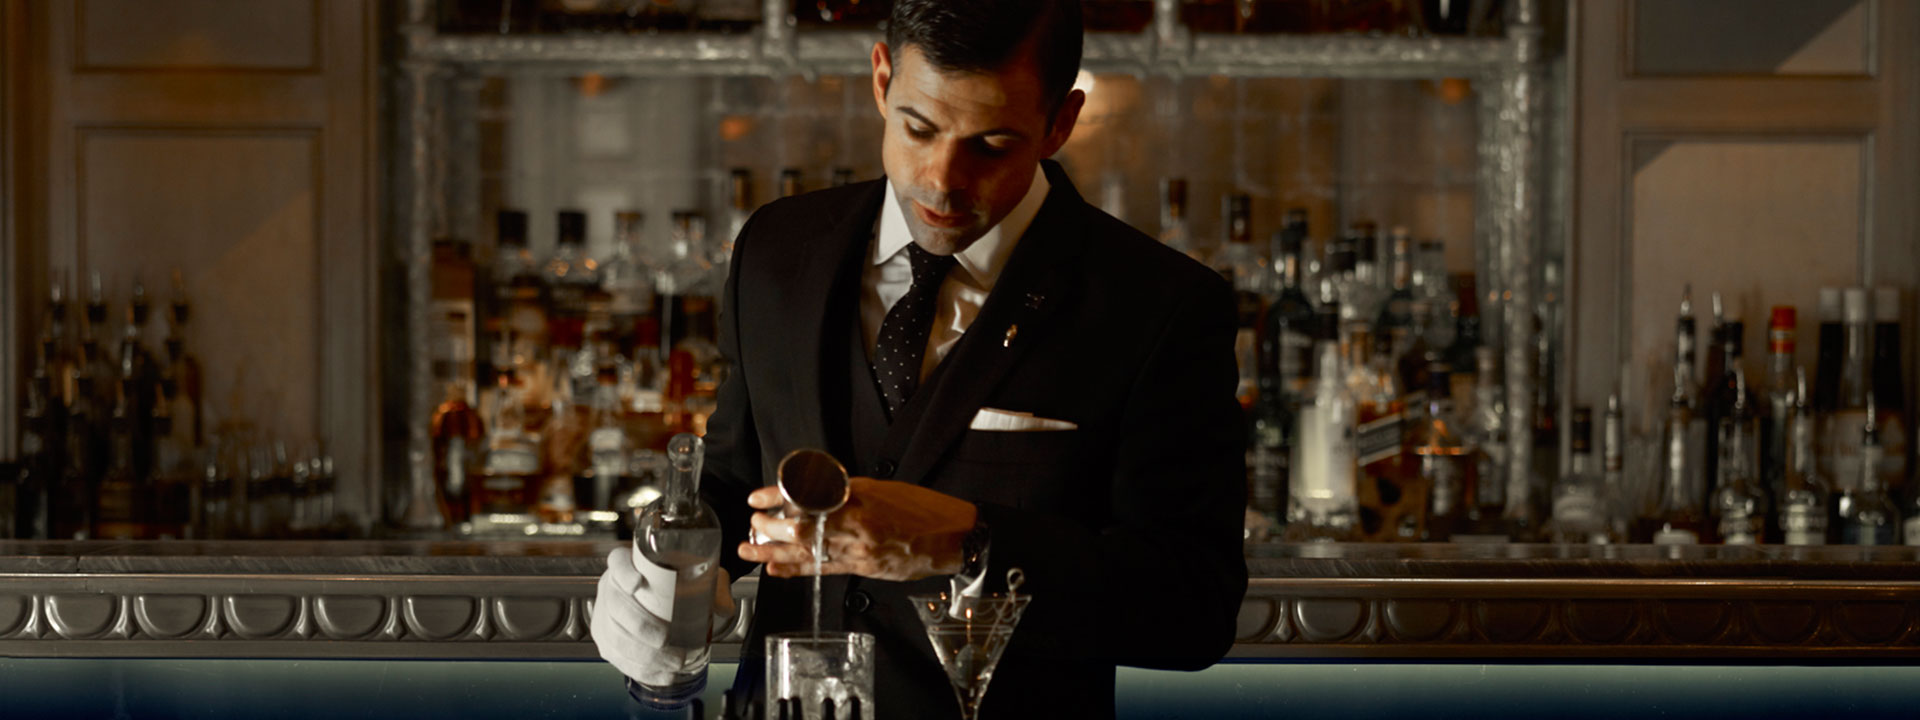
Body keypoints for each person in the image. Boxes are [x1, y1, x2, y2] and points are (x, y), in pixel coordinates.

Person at [593, 1, 1248, 716]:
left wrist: (966, 543)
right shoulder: (777, 250)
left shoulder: (1159, 305)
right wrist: (659, 586)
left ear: (1060, 123)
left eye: (992, 144)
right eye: (918, 127)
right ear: (881, 79)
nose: (941, 179)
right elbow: (729, 476)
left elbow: (1193, 606)